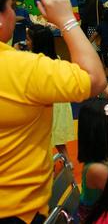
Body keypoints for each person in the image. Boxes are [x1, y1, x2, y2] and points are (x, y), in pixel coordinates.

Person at [0, 0, 106, 223]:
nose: (14, 14)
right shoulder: (21, 67)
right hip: (16, 210)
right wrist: (67, 20)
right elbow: (94, 79)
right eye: (10, 7)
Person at [26, 24, 75, 164]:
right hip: (59, 103)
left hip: (46, 105)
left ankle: (48, 164)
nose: (26, 42)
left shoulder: (33, 62)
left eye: (28, 39)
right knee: (58, 138)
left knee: (43, 138)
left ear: (37, 43)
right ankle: (67, 162)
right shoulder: (56, 58)